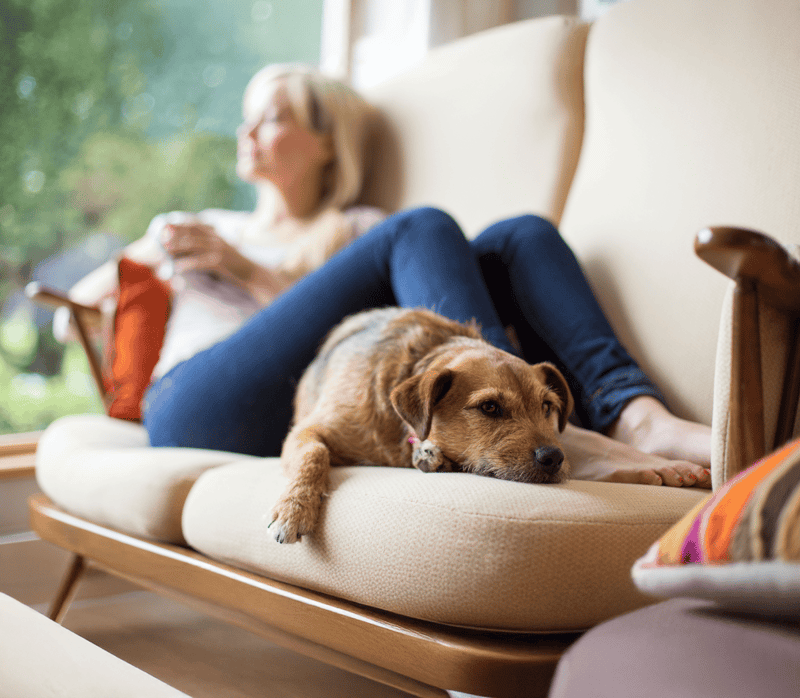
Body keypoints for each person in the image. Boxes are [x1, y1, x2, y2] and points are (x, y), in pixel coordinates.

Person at [60, 64, 712, 485]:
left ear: (327, 142)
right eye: (248, 115)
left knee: (522, 235)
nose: (248, 129)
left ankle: (634, 414)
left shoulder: (357, 230)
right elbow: (73, 314)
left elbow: (367, 352)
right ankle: (547, 440)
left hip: (318, 406)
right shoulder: (207, 225)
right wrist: (180, 265)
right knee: (421, 225)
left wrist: (250, 275)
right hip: (198, 403)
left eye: (273, 115)